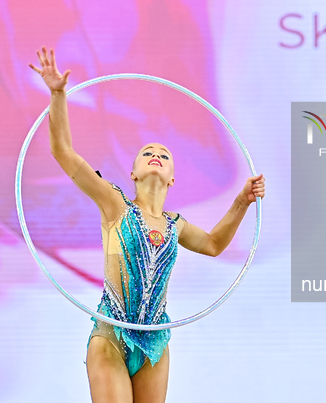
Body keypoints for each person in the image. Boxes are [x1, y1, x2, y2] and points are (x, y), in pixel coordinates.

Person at [29, 47, 265, 403]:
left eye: (165, 155)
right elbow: (63, 151)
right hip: (111, 334)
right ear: (133, 172)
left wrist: (242, 200)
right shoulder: (114, 203)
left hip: (156, 343)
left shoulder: (176, 225)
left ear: (171, 178)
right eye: (147, 152)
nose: (156, 154)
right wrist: (59, 95)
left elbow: (215, 244)